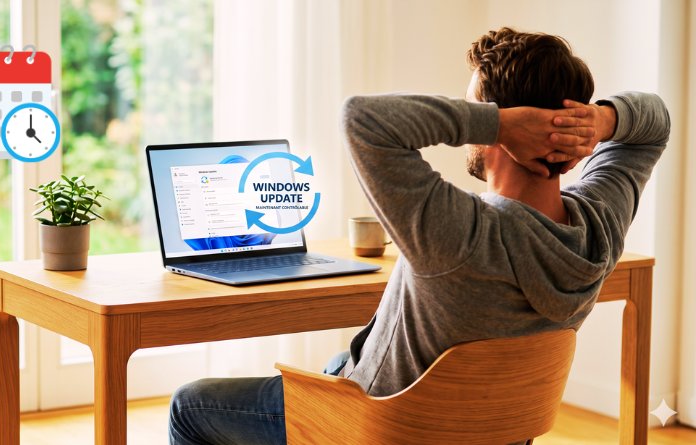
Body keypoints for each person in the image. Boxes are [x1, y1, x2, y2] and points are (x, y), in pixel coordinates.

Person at [168, 27, 669, 445]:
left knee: (189, 405)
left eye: (476, 106)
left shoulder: (457, 232)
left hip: (386, 426)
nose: (474, 118)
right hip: (494, 430)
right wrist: (600, 119)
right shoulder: (600, 223)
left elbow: (362, 119)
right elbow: (655, 123)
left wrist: (496, 124)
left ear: (508, 128)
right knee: (340, 359)